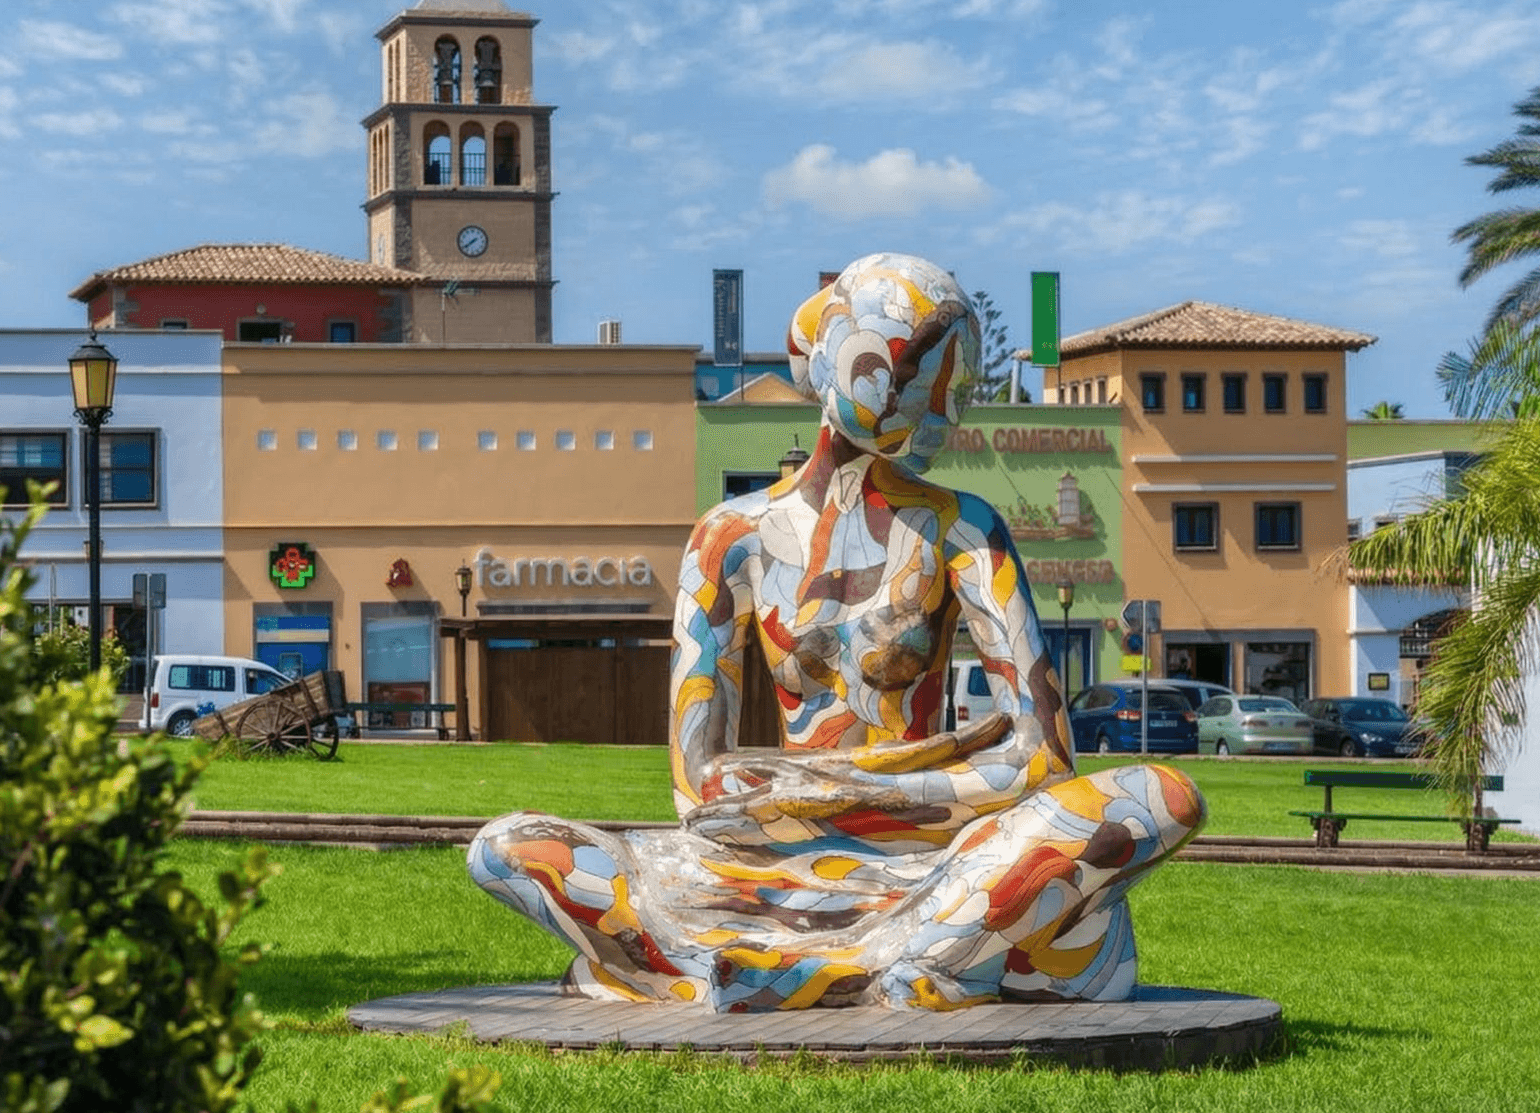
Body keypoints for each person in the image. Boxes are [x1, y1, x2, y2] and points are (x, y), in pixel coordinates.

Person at [468, 254, 1203, 1012]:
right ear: (837, 364)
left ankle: (745, 970)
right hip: (772, 865)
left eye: (958, 393)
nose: (945, 415)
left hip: (935, 860)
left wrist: (835, 789)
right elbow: (697, 787)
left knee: (1158, 798)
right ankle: (915, 965)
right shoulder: (729, 539)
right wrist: (842, 800)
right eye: (917, 384)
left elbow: (1042, 762)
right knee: (508, 849)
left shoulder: (963, 531)